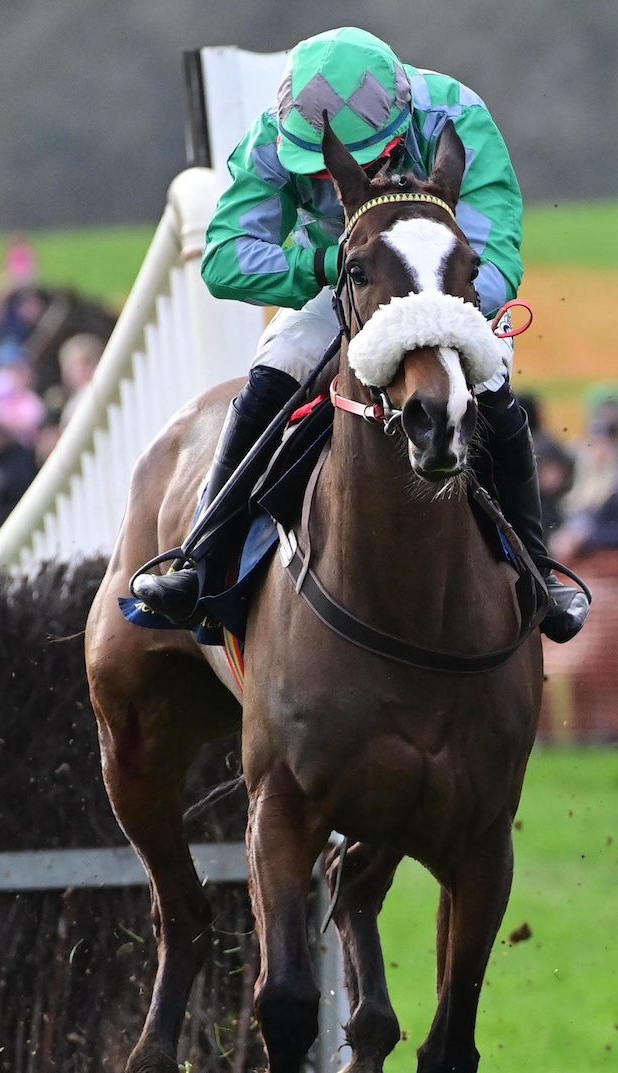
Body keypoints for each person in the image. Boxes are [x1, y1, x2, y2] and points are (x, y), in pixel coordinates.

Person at [128, 26, 587, 640]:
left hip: (447, 285)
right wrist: (328, 269)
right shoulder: (274, 132)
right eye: (308, 168)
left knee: (493, 381)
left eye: (337, 167)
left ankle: (539, 570)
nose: (321, 180)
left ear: (397, 130)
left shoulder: (457, 117)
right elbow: (225, 256)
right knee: (277, 367)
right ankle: (203, 559)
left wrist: (427, 313)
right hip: (345, 281)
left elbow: (493, 256)